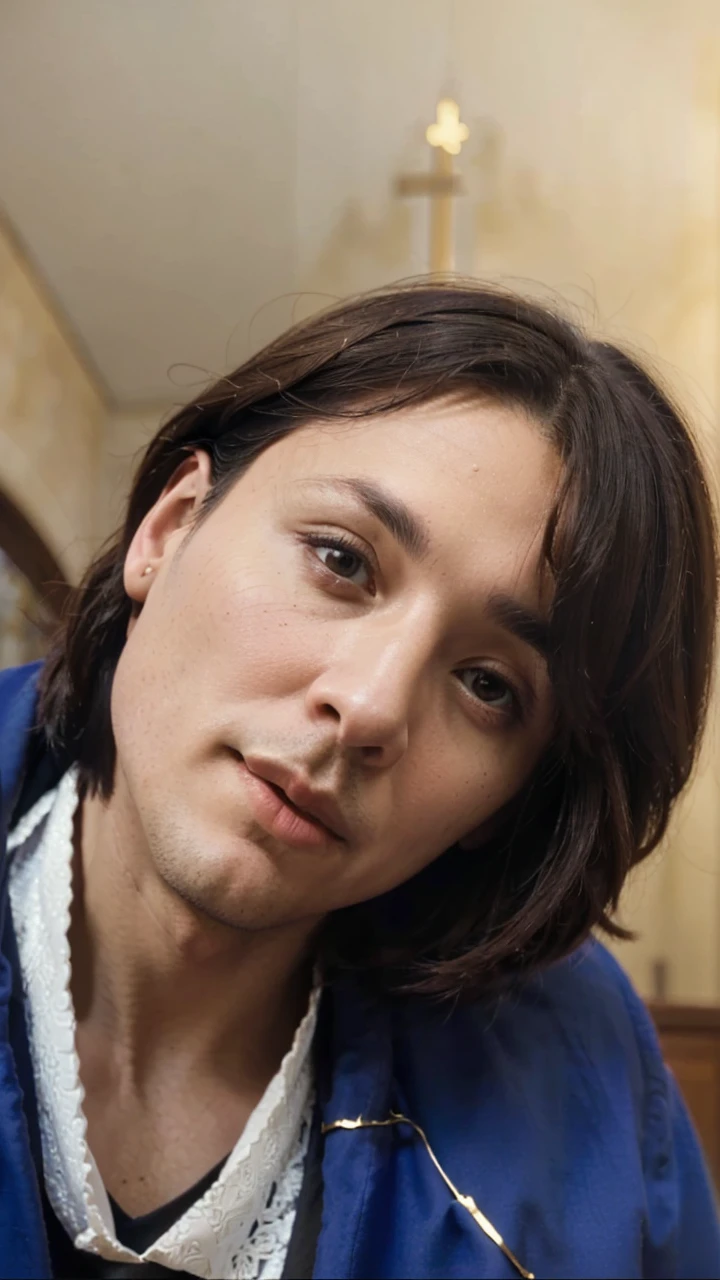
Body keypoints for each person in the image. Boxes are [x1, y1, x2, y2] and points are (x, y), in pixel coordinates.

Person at [0, 282, 718, 1280]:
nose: (373, 707)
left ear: (509, 801)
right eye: (340, 559)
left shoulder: (585, 1081)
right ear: (170, 527)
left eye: (487, 685)